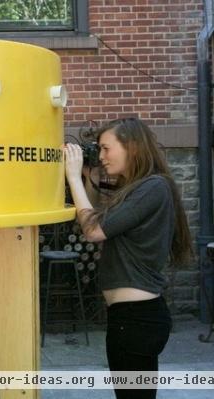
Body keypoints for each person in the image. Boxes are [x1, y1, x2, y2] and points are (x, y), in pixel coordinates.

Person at [64, 117, 192, 399]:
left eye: (106, 149)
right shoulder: (140, 189)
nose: (101, 157)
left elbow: (94, 230)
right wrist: (90, 179)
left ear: (132, 147)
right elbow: (94, 218)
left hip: (137, 319)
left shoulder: (153, 187)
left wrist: (73, 177)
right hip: (131, 318)